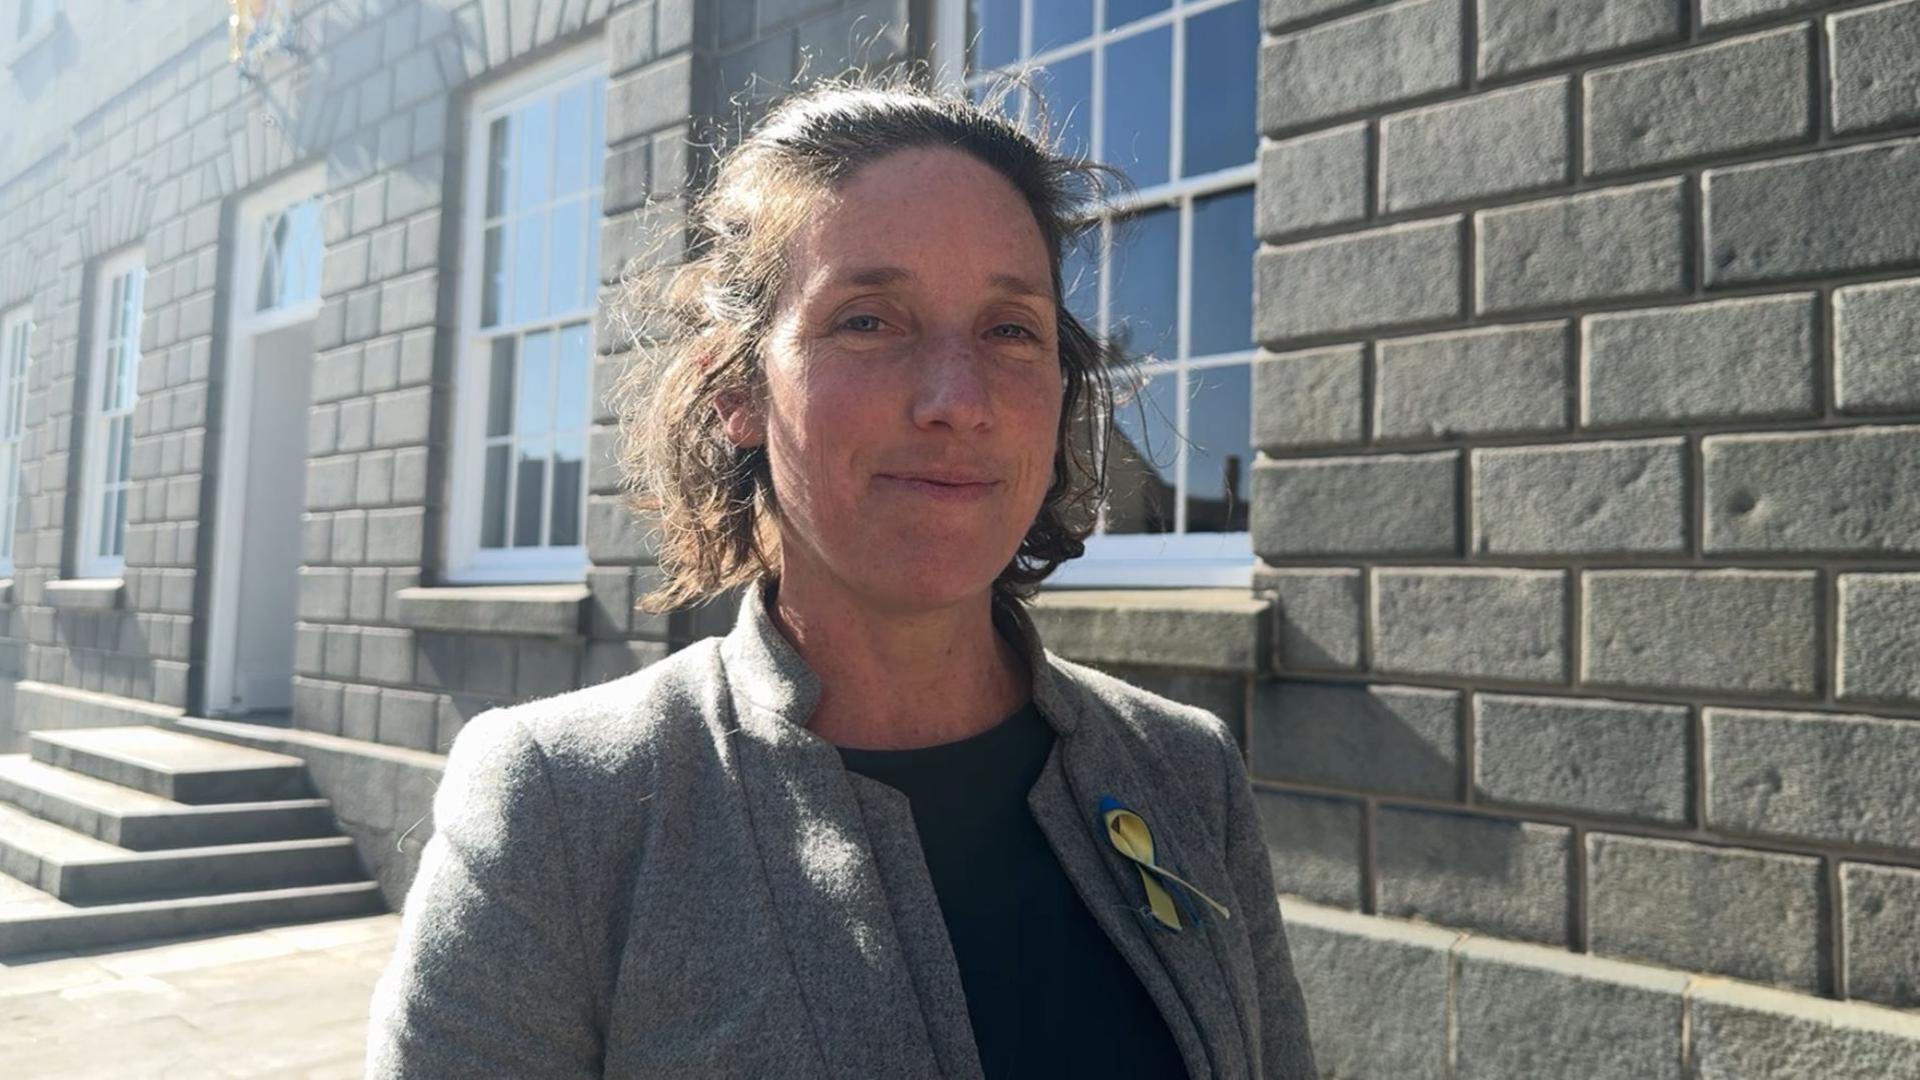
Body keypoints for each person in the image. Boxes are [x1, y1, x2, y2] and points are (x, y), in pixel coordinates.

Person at [366, 75, 1316, 1078]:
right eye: (869, 319)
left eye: (1009, 329)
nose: (959, 400)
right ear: (738, 388)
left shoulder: (1185, 771)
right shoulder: (563, 809)